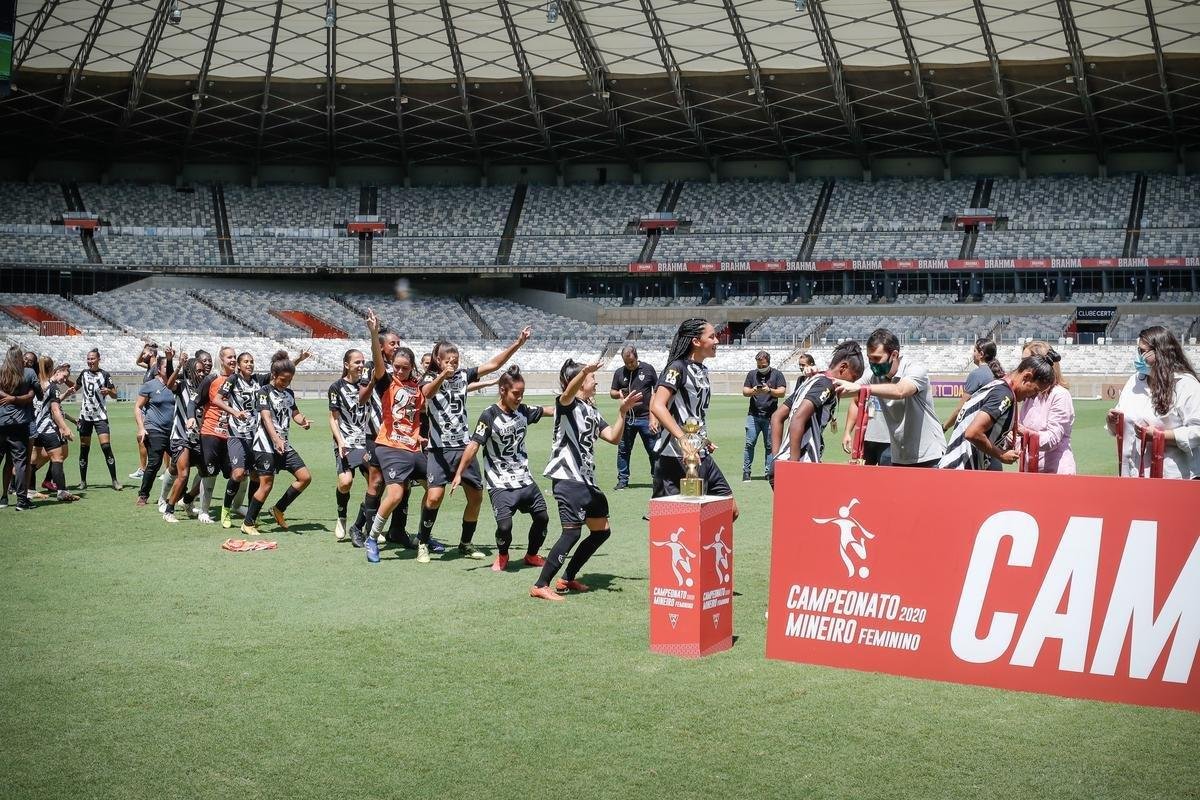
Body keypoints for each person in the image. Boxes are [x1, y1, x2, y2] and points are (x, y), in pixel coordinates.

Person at [530, 359, 641, 601]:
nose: (596, 380)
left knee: (601, 531)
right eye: (592, 378)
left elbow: (612, 437)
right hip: (567, 478)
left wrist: (622, 413)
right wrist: (584, 371)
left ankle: (567, 577)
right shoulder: (566, 404)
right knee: (571, 533)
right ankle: (540, 584)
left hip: (587, 482)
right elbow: (568, 392)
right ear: (579, 381)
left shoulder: (590, 409)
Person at [421, 328, 532, 559]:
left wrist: (518, 343)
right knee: (433, 497)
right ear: (438, 361)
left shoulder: (463, 376)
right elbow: (427, 394)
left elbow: (493, 364)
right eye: (448, 361)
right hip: (439, 449)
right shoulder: (430, 377)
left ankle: (465, 543)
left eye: (456, 360)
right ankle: (423, 542)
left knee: (476, 496)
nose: (453, 364)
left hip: (463, 445)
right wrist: (443, 375)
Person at [360, 310, 452, 563]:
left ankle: (424, 536)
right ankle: (372, 537)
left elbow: (427, 404)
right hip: (389, 446)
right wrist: (373, 332)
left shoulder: (418, 387)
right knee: (395, 495)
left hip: (414, 448)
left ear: (412, 368)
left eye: (404, 368)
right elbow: (378, 360)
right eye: (396, 367)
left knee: (434, 490)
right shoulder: (386, 381)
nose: (399, 371)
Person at [450, 366, 554, 572]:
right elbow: (473, 445)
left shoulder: (523, 411)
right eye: (516, 394)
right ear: (503, 390)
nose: (519, 398)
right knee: (505, 527)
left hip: (524, 478)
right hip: (499, 482)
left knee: (542, 518)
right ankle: (503, 554)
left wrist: (573, 405)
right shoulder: (489, 415)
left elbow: (548, 410)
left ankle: (531, 555)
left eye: (522, 394)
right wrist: (459, 472)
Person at [650, 318, 738, 518]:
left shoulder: (702, 370)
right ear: (696, 341)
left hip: (700, 452)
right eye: (712, 336)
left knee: (729, 510)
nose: (717, 341)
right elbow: (657, 405)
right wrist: (683, 439)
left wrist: (703, 440)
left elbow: (693, 414)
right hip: (676, 456)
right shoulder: (676, 368)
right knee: (679, 519)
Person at [833, 328, 945, 468]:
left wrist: (863, 389)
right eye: (869, 358)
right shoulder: (872, 375)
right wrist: (821, 377)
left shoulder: (915, 369)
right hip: (899, 457)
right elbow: (844, 390)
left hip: (929, 455)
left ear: (894, 355)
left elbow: (900, 390)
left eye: (877, 358)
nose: (873, 363)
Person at [1106, 325, 1200, 479]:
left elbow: (1197, 431)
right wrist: (1112, 421)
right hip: (1133, 475)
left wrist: (1161, 436)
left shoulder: (1186, 385)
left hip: (1174, 477)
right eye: (1138, 351)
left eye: (1143, 352)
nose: (1138, 357)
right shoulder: (1134, 381)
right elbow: (1122, 425)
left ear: (1161, 352)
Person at [769, 341, 864, 483]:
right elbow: (798, 418)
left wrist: (777, 458)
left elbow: (777, 416)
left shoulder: (812, 380)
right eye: (854, 377)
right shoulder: (826, 385)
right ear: (843, 368)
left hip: (783, 464)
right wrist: (793, 466)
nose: (852, 383)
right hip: (799, 467)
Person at [939, 355, 1056, 470]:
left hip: (957, 468)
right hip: (960, 470)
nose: (1033, 397)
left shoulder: (999, 386)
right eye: (1036, 390)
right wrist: (1001, 454)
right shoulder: (1003, 394)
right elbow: (973, 433)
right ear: (1026, 377)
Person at [241, 352, 313, 535]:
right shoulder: (263, 392)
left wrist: (302, 421)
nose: (286, 383)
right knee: (266, 484)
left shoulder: (289, 393)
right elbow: (266, 418)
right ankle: (248, 523)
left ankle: (279, 508)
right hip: (265, 445)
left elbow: (294, 412)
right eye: (283, 380)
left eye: (289, 380)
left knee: (305, 477)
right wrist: (276, 439)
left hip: (283, 445)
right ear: (273, 376)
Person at [162, 349, 211, 522]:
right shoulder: (182, 385)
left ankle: (188, 500)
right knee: (183, 474)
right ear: (189, 370)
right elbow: (169, 385)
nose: (201, 372)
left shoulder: (203, 387)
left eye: (202, 370)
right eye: (197, 370)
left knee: (208, 473)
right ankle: (169, 510)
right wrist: (177, 367)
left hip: (198, 438)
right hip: (181, 436)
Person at [943, 339, 1005, 471]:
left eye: (974, 351)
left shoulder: (976, 375)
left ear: (981, 354)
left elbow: (961, 407)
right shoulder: (999, 374)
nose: (973, 354)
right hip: (994, 434)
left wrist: (945, 426)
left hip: (976, 437)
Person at [329, 348, 372, 541]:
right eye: (357, 362)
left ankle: (364, 524)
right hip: (346, 442)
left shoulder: (367, 385)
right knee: (345, 483)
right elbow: (333, 418)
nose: (361, 365)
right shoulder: (336, 387)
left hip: (367, 442)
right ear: (347, 365)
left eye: (362, 362)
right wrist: (340, 442)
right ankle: (341, 516)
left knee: (375, 484)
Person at [1016, 341, 1075, 474]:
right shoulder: (1030, 396)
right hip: (1030, 470)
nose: (1021, 366)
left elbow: (1053, 438)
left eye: (1026, 361)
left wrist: (1024, 433)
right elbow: (1020, 431)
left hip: (1055, 472)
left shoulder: (1060, 395)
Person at [29, 356, 78, 503]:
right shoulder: (53, 388)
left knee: (32, 460)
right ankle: (62, 492)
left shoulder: (37, 384)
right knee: (58, 457)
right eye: (64, 376)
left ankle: (29, 491)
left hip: (33, 428)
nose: (64, 379)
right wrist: (65, 428)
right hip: (46, 428)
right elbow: (55, 410)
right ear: (55, 371)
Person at [609, 346, 658, 490]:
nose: (629, 365)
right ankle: (622, 480)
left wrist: (653, 417)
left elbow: (656, 391)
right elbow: (612, 392)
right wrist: (619, 394)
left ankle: (657, 479)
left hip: (645, 418)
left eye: (631, 361)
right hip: (627, 419)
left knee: (653, 450)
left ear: (636, 357)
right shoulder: (619, 372)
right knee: (623, 450)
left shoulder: (648, 369)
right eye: (626, 363)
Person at [134, 351, 178, 506]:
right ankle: (143, 495)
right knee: (155, 462)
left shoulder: (176, 386)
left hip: (174, 432)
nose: (170, 369)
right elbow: (138, 407)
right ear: (159, 369)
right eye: (167, 366)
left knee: (181, 462)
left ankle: (177, 495)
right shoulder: (150, 385)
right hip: (155, 429)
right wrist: (141, 428)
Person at [75, 348, 121, 491]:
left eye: (93, 359)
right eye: (88, 359)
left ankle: (114, 480)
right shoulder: (83, 373)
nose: (90, 361)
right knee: (84, 449)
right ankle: (83, 481)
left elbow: (115, 395)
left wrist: (109, 391)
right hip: (85, 417)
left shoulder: (105, 375)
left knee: (106, 447)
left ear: (98, 359)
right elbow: (75, 387)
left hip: (100, 416)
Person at [0, 345, 39, 511]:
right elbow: (37, 392)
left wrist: (7, 397)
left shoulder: (2, 372)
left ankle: (3, 498)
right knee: (21, 463)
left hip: (1, 422)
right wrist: (16, 398)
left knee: (6, 462)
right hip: (19, 423)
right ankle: (22, 501)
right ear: (19, 357)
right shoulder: (28, 373)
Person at [742, 350, 786, 482]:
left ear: (769, 363)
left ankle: (768, 472)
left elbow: (782, 392)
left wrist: (770, 390)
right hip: (753, 415)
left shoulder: (777, 374)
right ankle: (746, 472)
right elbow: (745, 391)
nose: (761, 368)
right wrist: (753, 390)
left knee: (770, 446)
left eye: (763, 366)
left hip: (771, 416)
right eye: (759, 366)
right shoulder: (751, 374)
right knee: (749, 444)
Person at [131, 341, 159, 480]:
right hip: (145, 408)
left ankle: (166, 470)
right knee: (141, 438)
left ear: (152, 354)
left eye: (145, 353)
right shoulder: (149, 367)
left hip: (151, 409)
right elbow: (137, 361)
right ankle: (143, 469)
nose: (143, 355)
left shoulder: (156, 368)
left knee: (160, 439)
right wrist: (144, 348)